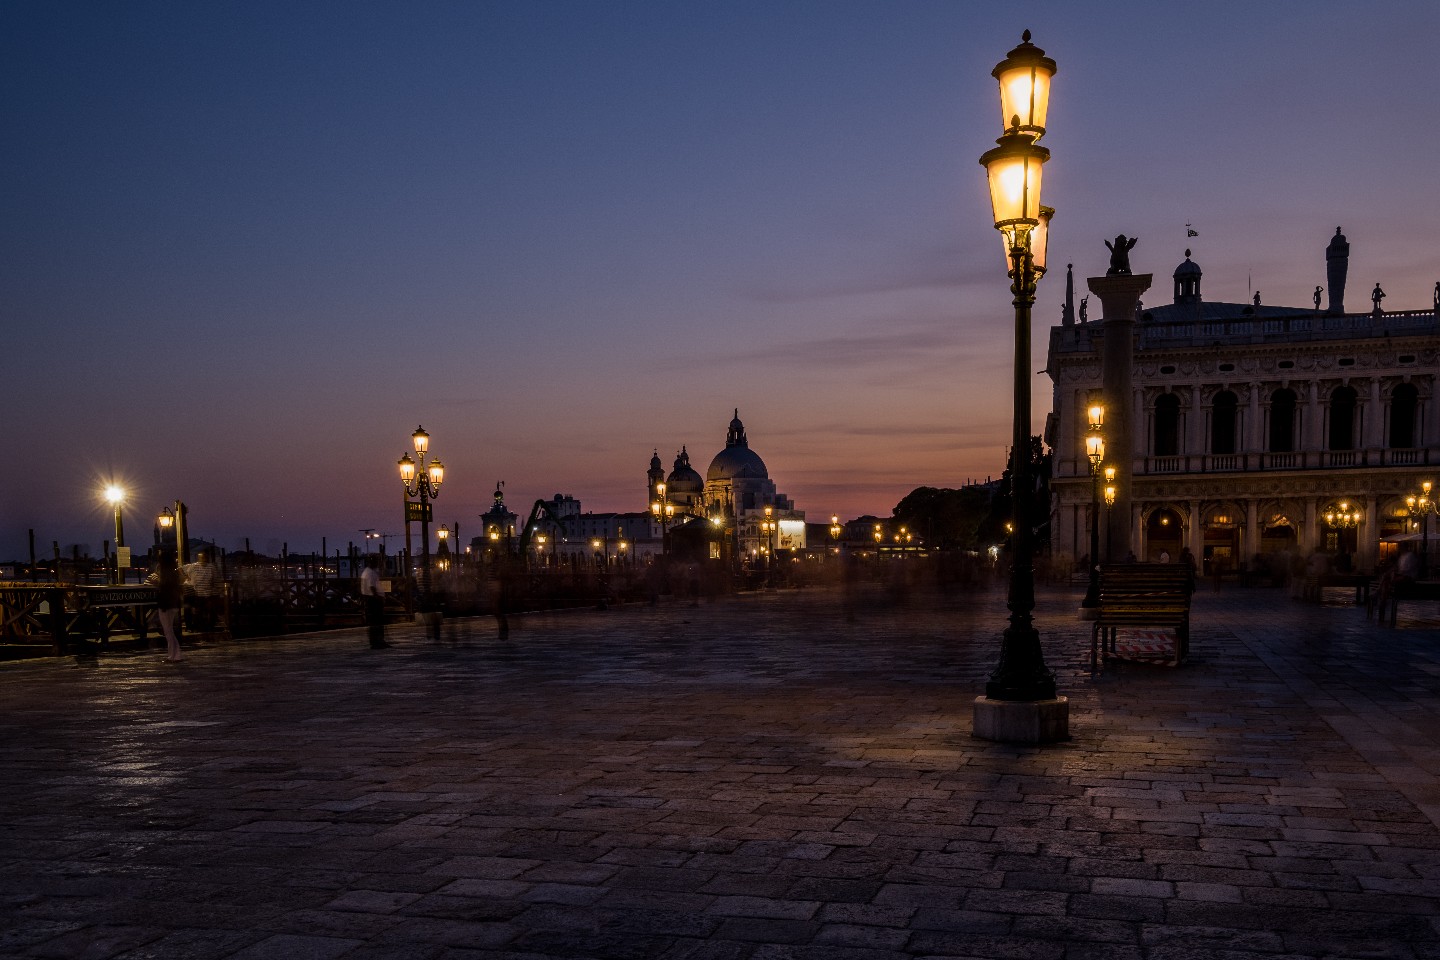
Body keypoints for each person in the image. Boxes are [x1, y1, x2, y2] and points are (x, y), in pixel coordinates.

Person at [150, 547, 185, 662]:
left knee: (168, 631)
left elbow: (163, 588)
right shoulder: (174, 573)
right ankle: (176, 654)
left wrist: (156, 582)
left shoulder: (164, 573)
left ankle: (174, 655)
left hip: (165, 604)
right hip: (173, 604)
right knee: (170, 630)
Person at [184, 549, 221, 635]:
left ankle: (208, 627)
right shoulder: (193, 566)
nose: (203, 559)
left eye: (204, 557)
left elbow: (215, 580)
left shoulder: (211, 567)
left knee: (210, 609)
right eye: (201, 558)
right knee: (197, 611)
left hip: (208, 593)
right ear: (198, 558)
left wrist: (215, 590)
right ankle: (199, 627)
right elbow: (180, 569)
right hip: (196, 593)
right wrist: (186, 578)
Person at [360, 555, 389, 649]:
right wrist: (377, 597)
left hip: (371, 599)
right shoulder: (370, 573)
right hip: (373, 600)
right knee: (377, 621)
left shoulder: (367, 572)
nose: (377, 563)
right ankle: (378, 641)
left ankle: (376, 641)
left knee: (374, 621)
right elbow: (372, 586)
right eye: (376, 561)